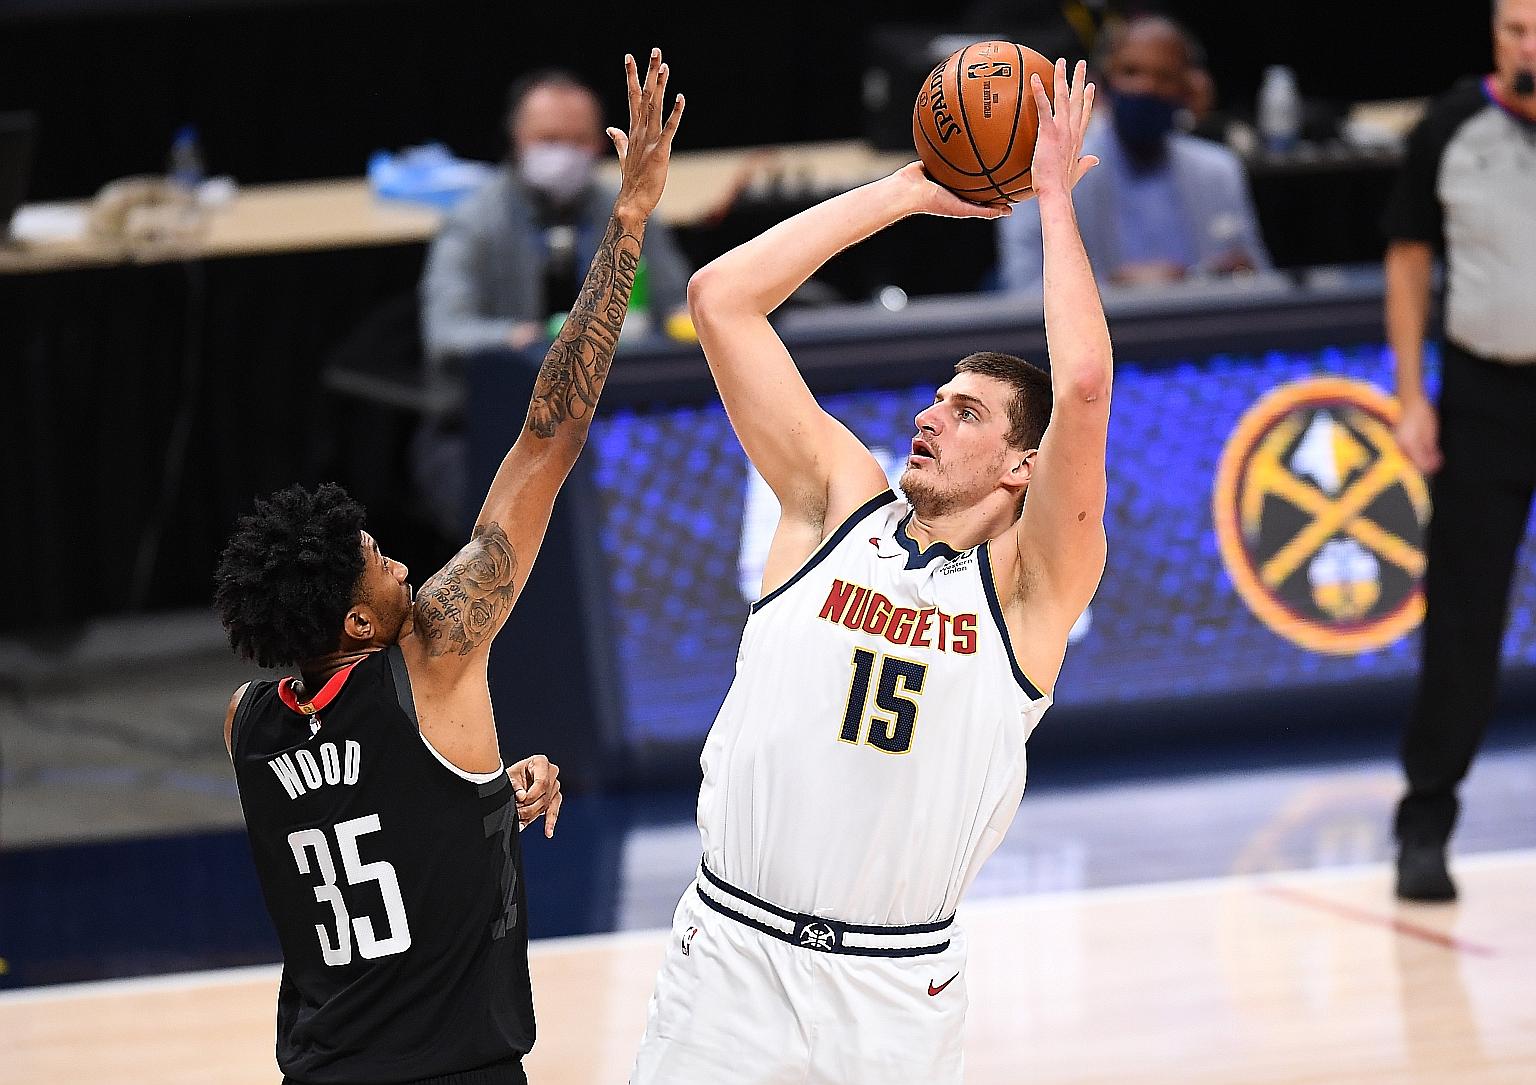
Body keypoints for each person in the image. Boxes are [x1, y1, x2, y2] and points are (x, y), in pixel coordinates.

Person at [629, 61, 1108, 1084]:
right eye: (938, 398)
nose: (931, 414)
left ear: (1024, 465)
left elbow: (1081, 382)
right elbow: (723, 300)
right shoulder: (832, 508)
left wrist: (1056, 202)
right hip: (730, 967)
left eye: (967, 410)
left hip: (895, 996)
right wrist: (909, 191)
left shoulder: (1032, 594)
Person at [214, 50, 684, 1084]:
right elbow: (548, 438)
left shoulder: (249, 721)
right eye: (377, 565)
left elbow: (375, 797)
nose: (400, 565)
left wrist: (471, 802)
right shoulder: (433, 646)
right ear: (358, 626)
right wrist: (633, 215)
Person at [1383, 0, 1536, 903]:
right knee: (1466, 618)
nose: (1529, 45)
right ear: (1494, 35)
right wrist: (1411, 396)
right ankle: (1425, 823)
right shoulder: (1451, 126)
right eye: (1515, 29)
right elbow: (1408, 261)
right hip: (1484, 392)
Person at [414, 66, 694, 537]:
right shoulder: (474, 222)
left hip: (611, 420)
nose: (562, 153)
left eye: (577, 140)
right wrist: (520, 339)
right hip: (489, 426)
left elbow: (679, 305)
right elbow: (446, 331)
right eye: (548, 139)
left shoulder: (629, 211)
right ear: (516, 137)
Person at [996, 13, 1270, 291]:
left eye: (1164, 76)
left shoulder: (1218, 170)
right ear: (1102, 82)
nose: (1146, 87)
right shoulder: (1047, 173)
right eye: (1131, 72)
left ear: (1188, 89)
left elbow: (1259, 280)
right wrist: (1119, 289)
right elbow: (1023, 291)